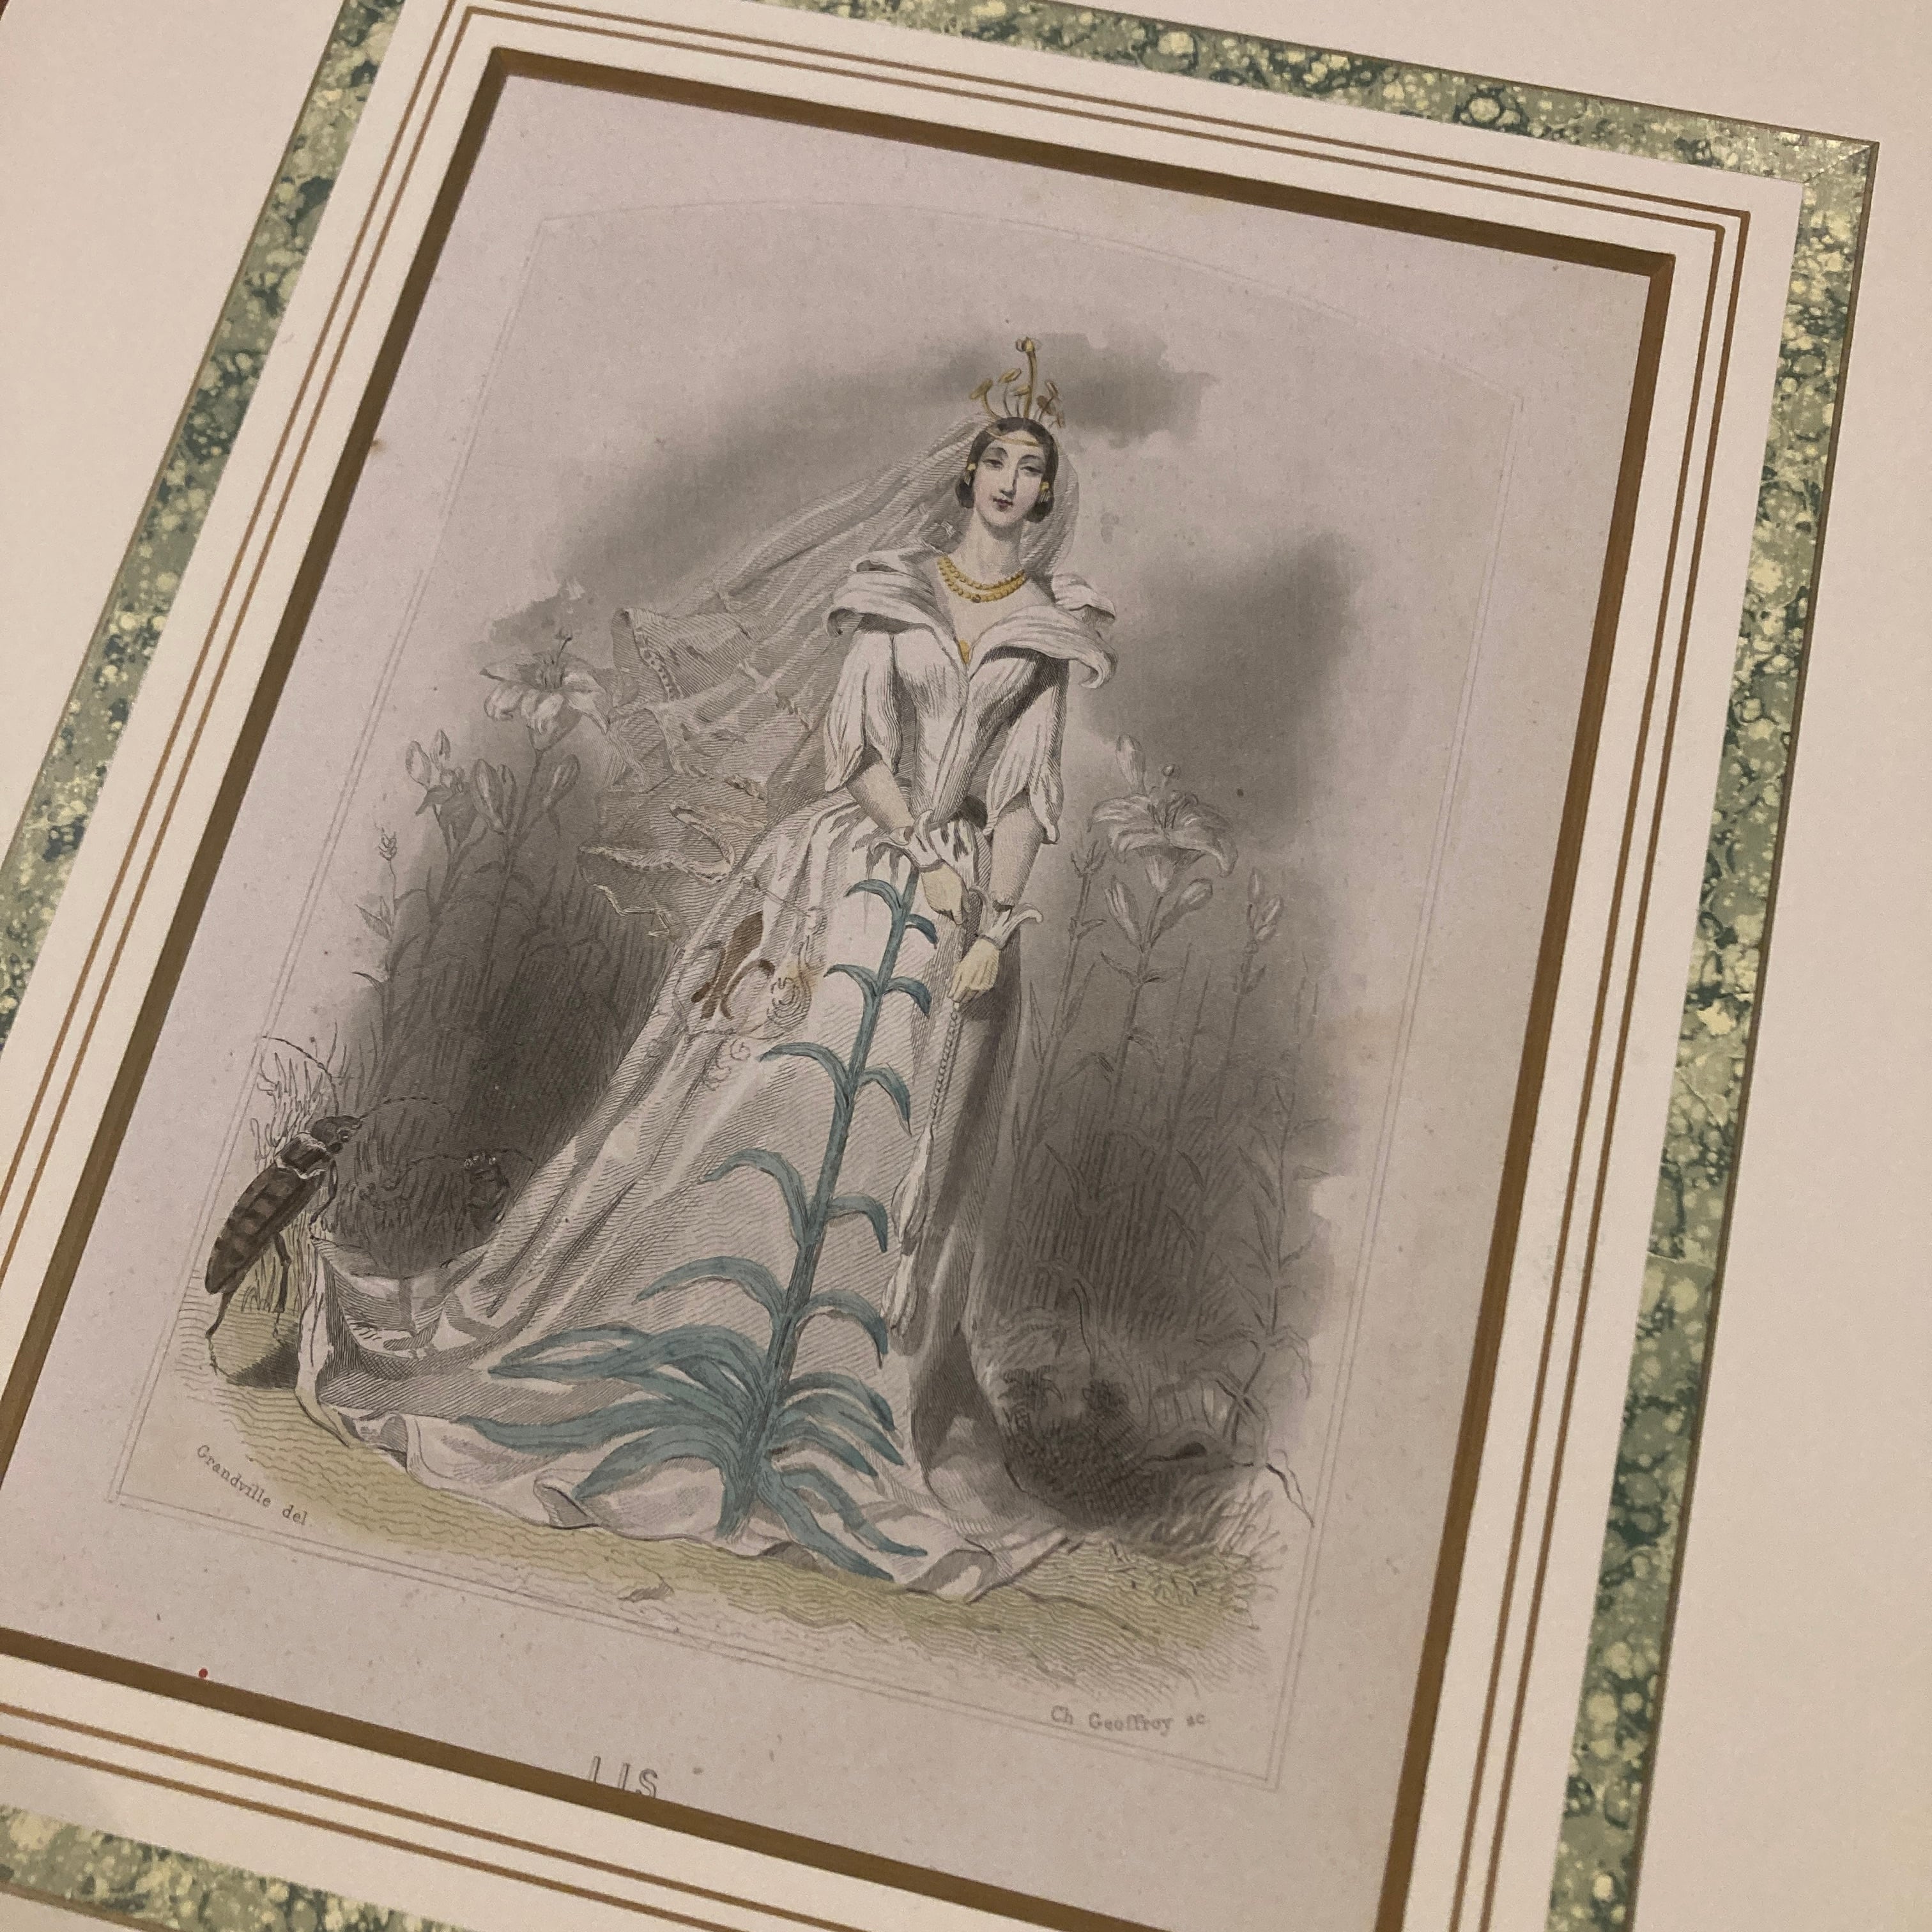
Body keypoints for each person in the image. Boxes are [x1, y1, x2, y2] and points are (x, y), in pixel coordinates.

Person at [298, 352, 1114, 1600]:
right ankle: (681, 1372)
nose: (1012, 482)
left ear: (1047, 495)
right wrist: (921, 857)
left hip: (960, 913)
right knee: (755, 1115)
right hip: (850, 872)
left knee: (892, 1161)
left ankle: (824, 1408)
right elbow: (857, 753)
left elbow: (1019, 800)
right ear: (968, 475)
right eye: (998, 460)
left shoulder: (1050, 633)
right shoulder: (893, 592)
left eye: (1032, 470)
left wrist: (993, 922)